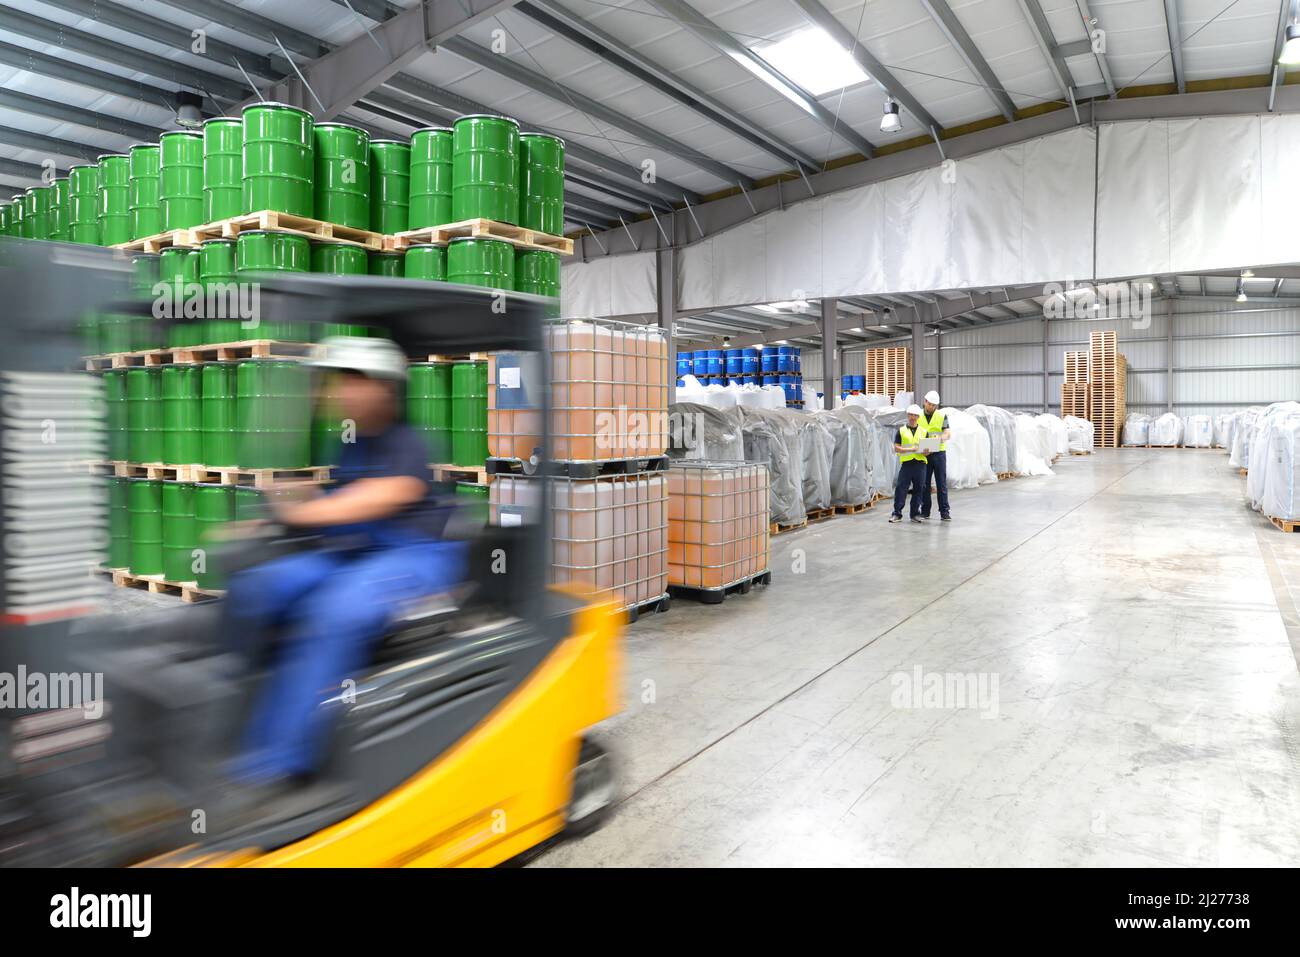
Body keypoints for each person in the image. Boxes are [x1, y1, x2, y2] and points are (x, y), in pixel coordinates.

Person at [223, 337, 466, 786]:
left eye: (347, 382)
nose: (334, 392)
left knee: (334, 611)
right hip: (357, 551)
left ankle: (278, 763)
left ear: (382, 388)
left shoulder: (405, 442)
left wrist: (301, 511)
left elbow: (386, 494)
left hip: (414, 557)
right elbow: (334, 495)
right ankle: (230, 717)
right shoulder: (352, 441)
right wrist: (269, 516)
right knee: (259, 586)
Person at [889, 404, 929, 524]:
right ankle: (897, 514)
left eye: (915, 415)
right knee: (901, 489)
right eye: (911, 415)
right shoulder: (901, 431)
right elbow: (896, 448)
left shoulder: (924, 431)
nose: (913, 417)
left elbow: (928, 451)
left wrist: (926, 451)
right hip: (907, 464)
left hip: (920, 464)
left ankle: (915, 514)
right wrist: (911, 449)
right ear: (908, 415)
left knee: (919, 489)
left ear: (918, 417)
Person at [918, 390, 952, 522]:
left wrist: (933, 444)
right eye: (930, 404)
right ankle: (925, 511)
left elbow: (947, 434)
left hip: (938, 453)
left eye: (934, 405)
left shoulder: (941, 416)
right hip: (923, 453)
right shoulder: (918, 415)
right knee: (924, 484)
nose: (932, 407)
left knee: (941, 483)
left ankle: (944, 512)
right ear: (925, 402)